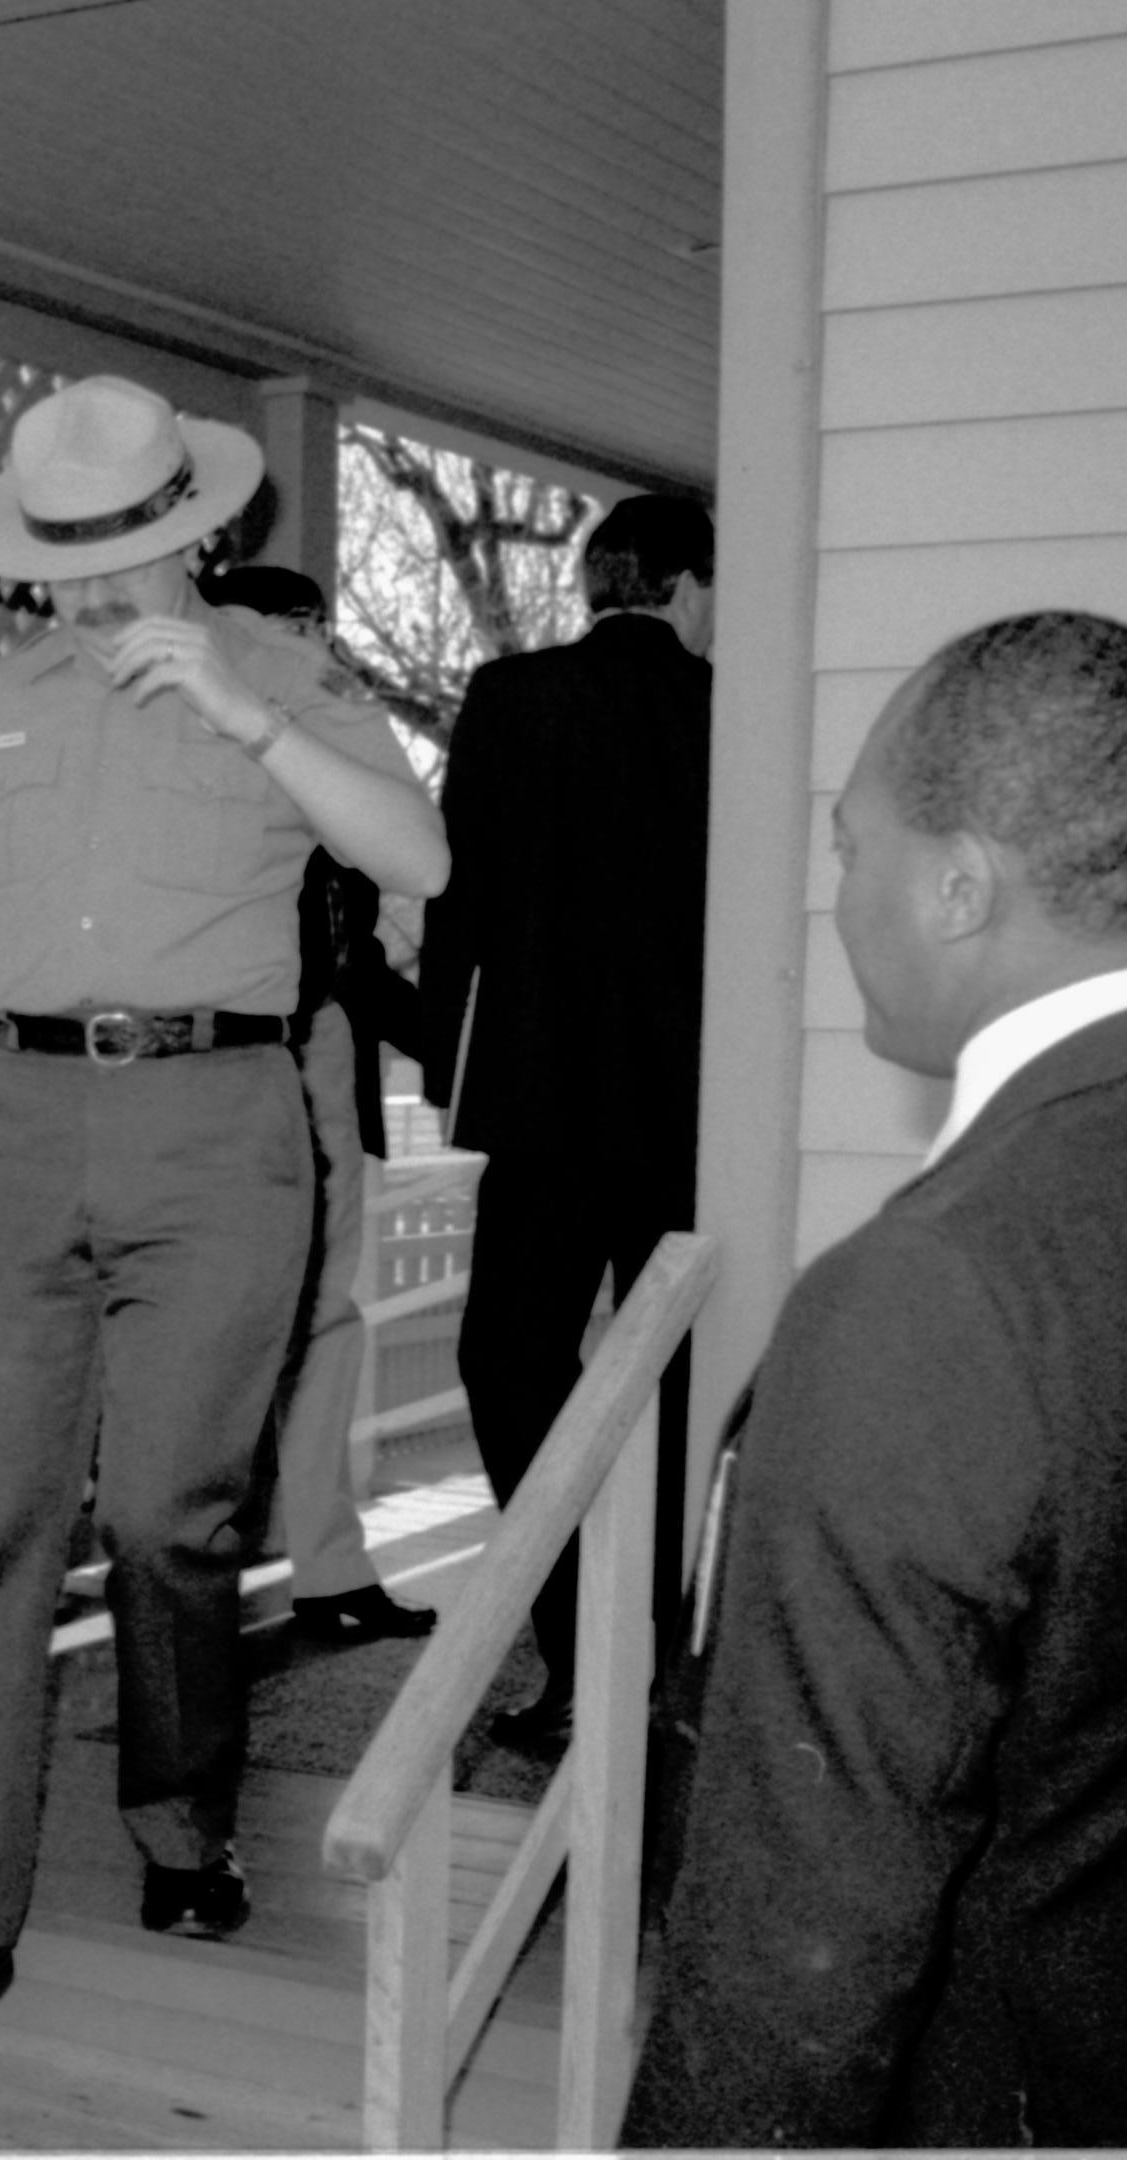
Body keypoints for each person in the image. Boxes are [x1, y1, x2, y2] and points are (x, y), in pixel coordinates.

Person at [625, 612, 1127, 2147]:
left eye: (849, 847)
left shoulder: (927, 1298)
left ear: (959, 884)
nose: (839, 897)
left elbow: (795, 1962)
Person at [0, 375, 450, 2083]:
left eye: (116, 564)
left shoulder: (293, 683)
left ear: (198, 537)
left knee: (174, 1517)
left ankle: (185, 1824)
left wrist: (247, 721)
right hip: (18, 1132)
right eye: (56, 569)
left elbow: (423, 854)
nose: (83, 603)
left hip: (222, 1131)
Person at [414, 493, 712, 1749]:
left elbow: (455, 899)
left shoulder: (509, 698)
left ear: (599, 584)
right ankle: (670, 1651)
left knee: (509, 1360)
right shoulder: (727, 709)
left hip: (540, 1105)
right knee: (689, 1370)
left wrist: (446, 1063)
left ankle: (579, 1647)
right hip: (699, 1106)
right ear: (691, 588)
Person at [197, 565, 437, 1648]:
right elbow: (387, 897)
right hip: (296, 1043)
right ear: (297, 626)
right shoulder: (300, 713)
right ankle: (325, 1570)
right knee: (325, 1313)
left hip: (188, 1061)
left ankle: (211, 1562)